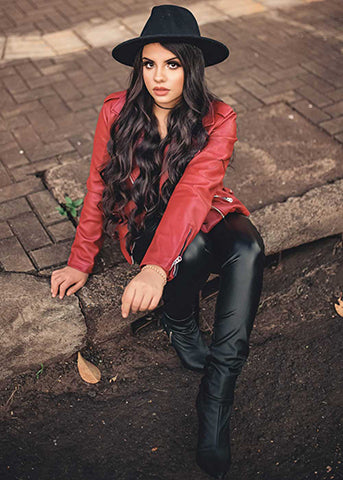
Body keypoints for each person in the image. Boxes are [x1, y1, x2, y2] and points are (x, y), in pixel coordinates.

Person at [50, 5, 265, 479]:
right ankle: (179, 319)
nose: (159, 77)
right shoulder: (116, 111)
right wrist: (81, 260)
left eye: (172, 64)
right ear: (138, 67)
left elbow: (193, 194)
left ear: (192, 66)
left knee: (248, 247)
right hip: (145, 224)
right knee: (186, 252)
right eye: (149, 64)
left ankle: (215, 400)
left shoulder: (219, 117)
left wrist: (154, 270)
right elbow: (98, 188)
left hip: (202, 209)